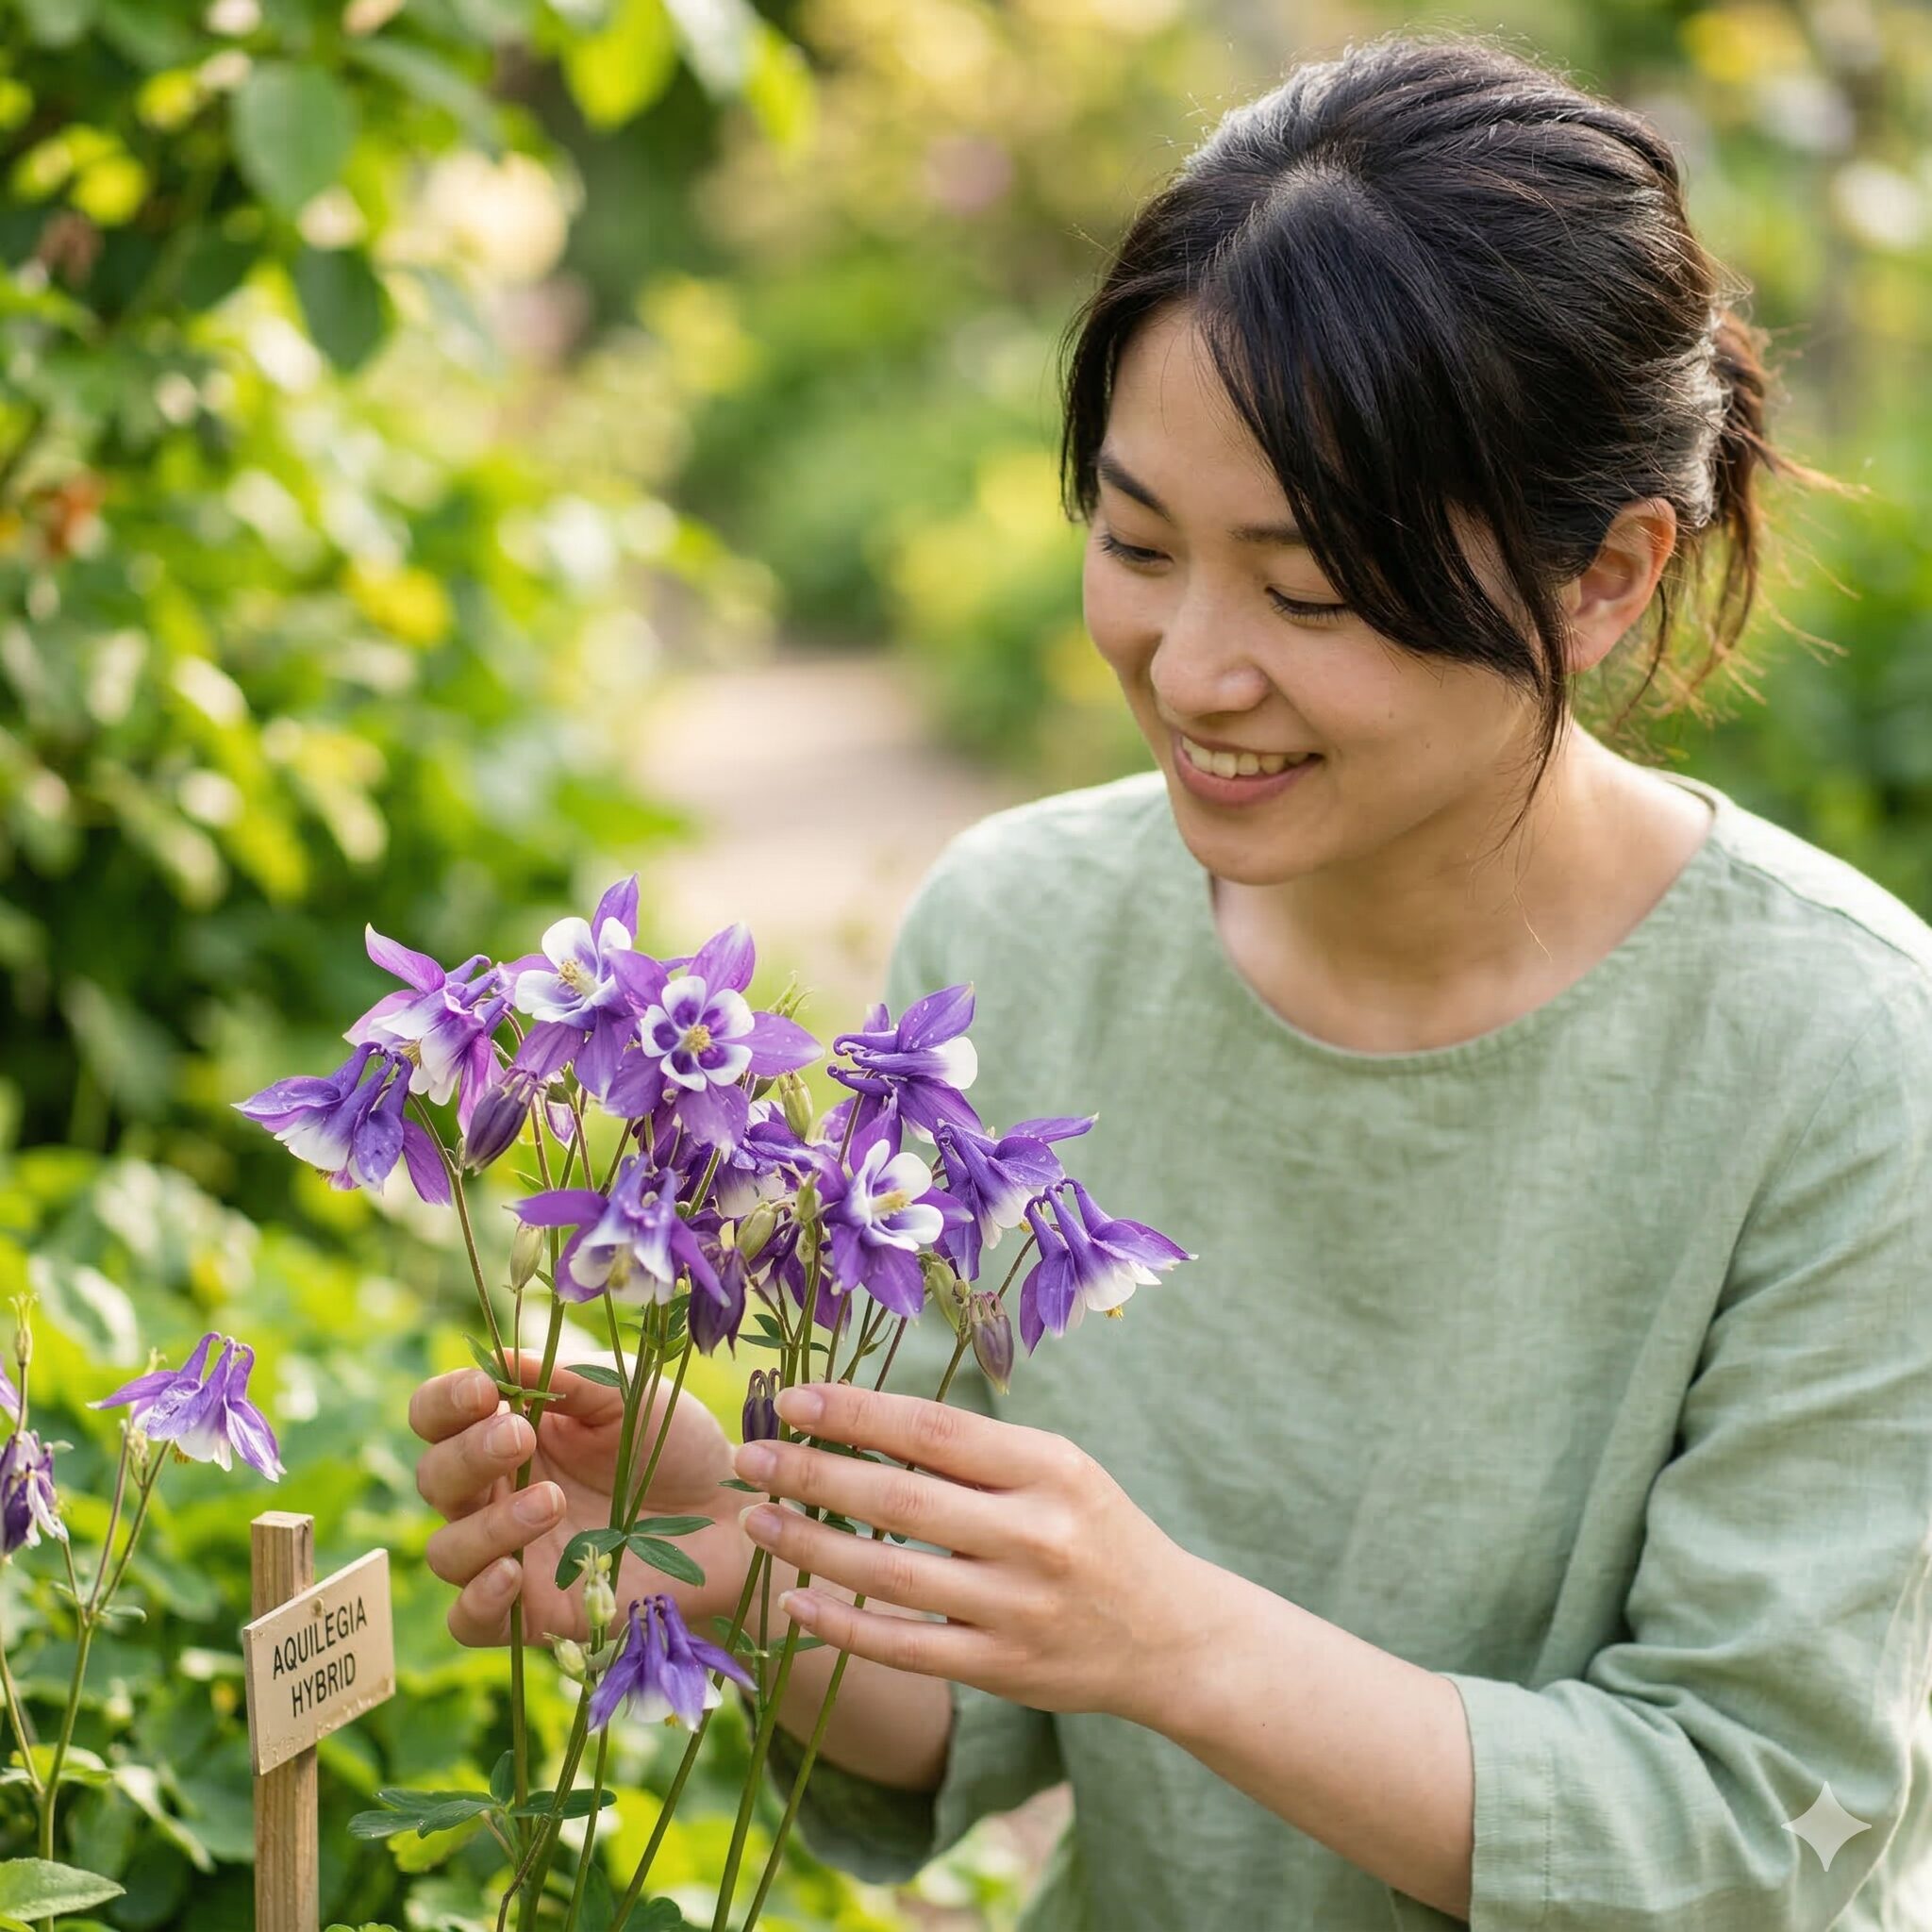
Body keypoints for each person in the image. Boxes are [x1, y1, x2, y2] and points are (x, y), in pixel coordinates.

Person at [406, 28, 1932, 1931]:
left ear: (1608, 573)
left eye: (1307, 593)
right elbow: (952, 1711)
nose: (1193, 666)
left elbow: (1745, 1835)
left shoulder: (1843, 1056)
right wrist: (719, 1549)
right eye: (1135, 543)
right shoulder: (1021, 930)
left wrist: (1172, 1637)